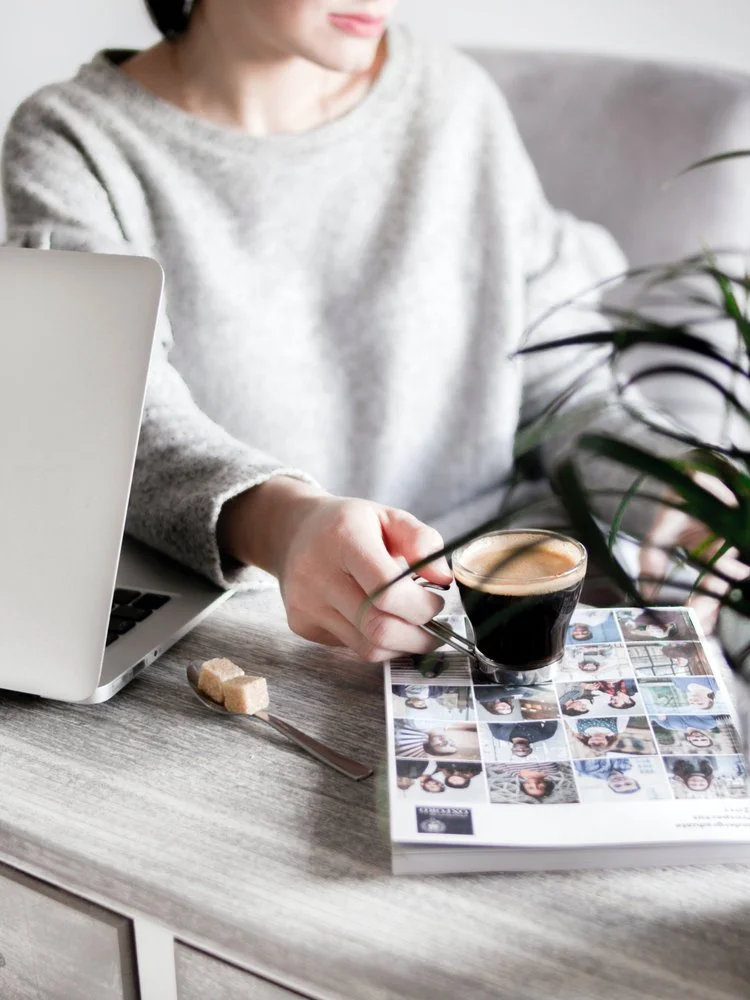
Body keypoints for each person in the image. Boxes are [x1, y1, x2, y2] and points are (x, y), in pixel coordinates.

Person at [3, 0, 727, 663]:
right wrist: (286, 528)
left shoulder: (453, 100)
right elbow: (120, 427)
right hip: (256, 630)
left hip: (499, 609)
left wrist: (680, 483)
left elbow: (560, 386)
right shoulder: (74, 143)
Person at [488, 721, 558, 758]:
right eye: (524, 750)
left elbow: (489, 718)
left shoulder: (498, 735)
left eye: (517, 750)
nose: (521, 749)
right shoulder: (543, 735)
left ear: (512, 749)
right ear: (530, 749)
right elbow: (553, 718)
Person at [575, 758, 641, 794]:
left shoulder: (590, 769)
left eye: (617, 785)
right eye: (628, 783)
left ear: (609, 785)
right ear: (632, 779)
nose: (621, 781)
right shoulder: (627, 767)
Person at [652, 715, 716, 750]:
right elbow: (699, 709)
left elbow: (653, 717)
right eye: (703, 739)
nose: (698, 737)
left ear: (689, 739)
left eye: (695, 740)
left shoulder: (671, 727)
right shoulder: (709, 724)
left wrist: (659, 716)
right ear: (708, 736)